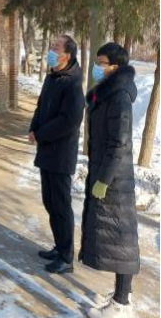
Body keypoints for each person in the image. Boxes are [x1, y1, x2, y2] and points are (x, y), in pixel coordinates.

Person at [82, 43, 140, 318]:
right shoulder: (108, 92)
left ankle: (121, 304)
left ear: (115, 67)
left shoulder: (120, 97)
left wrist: (103, 180)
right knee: (119, 241)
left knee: (122, 241)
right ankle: (122, 293)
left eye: (101, 62)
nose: (97, 67)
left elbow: (120, 143)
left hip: (115, 179)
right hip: (110, 173)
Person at [28, 35, 85, 274]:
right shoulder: (52, 76)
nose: (51, 50)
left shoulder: (73, 83)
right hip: (47, 151)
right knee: (49, 201)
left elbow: (69, 121)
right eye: (51, 46)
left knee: (61, 206)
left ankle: (66, 257)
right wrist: (33, 128)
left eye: (56, 47)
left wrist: (41, 135)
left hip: (60, 155)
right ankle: (59, 246)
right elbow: (41, 106)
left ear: (67, 55)